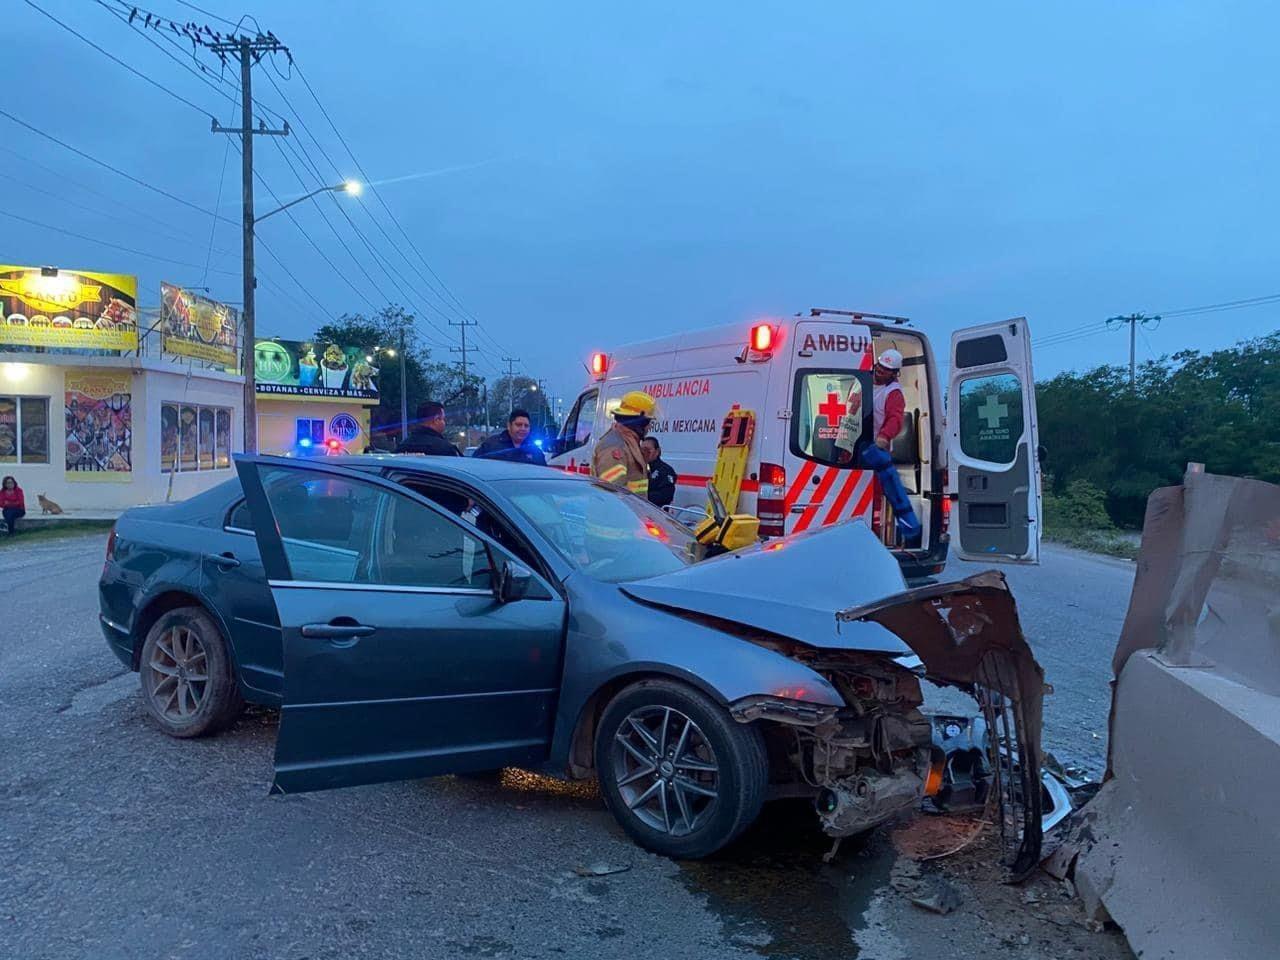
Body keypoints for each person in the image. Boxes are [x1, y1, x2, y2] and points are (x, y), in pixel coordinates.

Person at [857, 349, 922, 546]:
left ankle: (902, 532)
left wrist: (884, 437)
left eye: (885, 370)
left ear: (894, 374)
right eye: (878, 366)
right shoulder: (863, 382)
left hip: (876, 449)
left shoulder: (893, 393)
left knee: (883, 491)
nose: (879, 371)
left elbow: (895, 419)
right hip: (857, 444)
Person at [592, 391, 656, 497]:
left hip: (632, 511)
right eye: (648, 422)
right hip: (619, 512)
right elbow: (613, 492)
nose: (649, 427)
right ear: (639, 422)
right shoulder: (615, 447)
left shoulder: (628, 443)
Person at [474, 408, 547, 466]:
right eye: (518, 425)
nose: (523, 429)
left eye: (526, 426)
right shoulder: (491, 446)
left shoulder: (535, 451)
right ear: (509, 426)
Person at [394, 401, 461, 456]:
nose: (444, 422)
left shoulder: (402, 447)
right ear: (436, 420)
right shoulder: (445, 449)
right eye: (443, 419)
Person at [641, 437, 677, 509]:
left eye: (648, 450)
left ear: (657, 451)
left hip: (656, 512)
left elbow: (666, 495)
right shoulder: (639, 468)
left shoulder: (666, 470)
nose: (644, 453)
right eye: (642, 450)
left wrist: (642, 496)